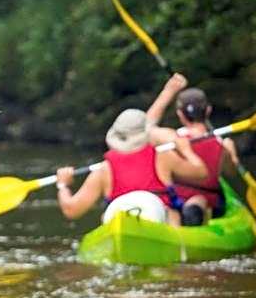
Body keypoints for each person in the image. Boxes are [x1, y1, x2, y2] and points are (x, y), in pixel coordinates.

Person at [55, 75, 208, 226]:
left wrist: (63, 185)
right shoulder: (162, 157)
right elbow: (202, 174)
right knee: (180, 211)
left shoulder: (104, 170)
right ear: (145, 135)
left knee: (105, 217)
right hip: (163, 224)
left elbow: (71, 209)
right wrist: (186, 150)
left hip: (121, 224)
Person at [146, 74, 240, 225]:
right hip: (210, 204)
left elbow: (146, 127)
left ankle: (189, 216)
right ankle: (195, 214)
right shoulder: (222, 145)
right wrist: (232, 154)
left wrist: (169, 90)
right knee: (200, 201)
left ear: (180, 114)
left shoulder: (172, 139)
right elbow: (231, 173)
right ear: (208, 111)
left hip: (178, 205)